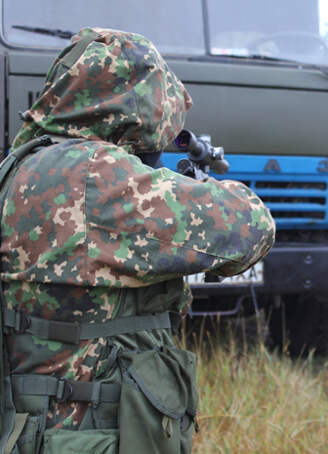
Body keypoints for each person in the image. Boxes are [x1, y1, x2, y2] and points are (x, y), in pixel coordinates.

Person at [0, 28, 275, 453]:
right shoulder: (98, 177)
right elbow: (251, 228)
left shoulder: (20, 167)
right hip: (89, 435)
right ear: (140, 108)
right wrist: (193, 185)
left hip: (24, 429)